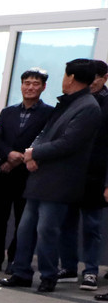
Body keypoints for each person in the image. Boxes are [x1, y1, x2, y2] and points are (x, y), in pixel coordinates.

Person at [1, 59, 103, 291]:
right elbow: (44, 133)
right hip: (40, 176)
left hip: (60, 180)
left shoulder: (88, 107)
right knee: (25, 228)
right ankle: (21, 272)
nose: (63, 79)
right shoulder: (66, 103)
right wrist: (33, 153)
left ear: (72, 78)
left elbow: (69, 143)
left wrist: (34, 153)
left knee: (47, 230)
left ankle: (48, 275)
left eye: (65, 75)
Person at [0, 69, 52, 273]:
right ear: (21, 85)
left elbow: (44, 141)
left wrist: (18, 159)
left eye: (35, 83)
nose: (30, 87)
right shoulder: (8, 112)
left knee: (24, 221)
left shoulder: (49, 113)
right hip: (3, 172)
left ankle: (16, 261)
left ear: (43, 87)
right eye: (26, 83)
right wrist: (7, 155)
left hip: (29, 175)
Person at [60, 61, 108, 291]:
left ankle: (90, 271)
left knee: (91, 225)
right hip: (71, 172)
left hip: (96, 174)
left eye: (97, 77)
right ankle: (68, 267)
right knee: (66, 222)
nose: (93, 81)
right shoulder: (74, 100)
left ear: (105, 78)